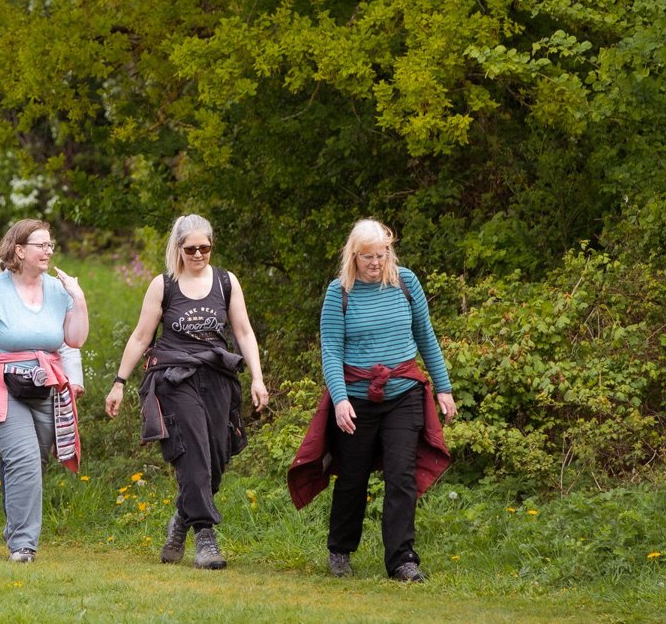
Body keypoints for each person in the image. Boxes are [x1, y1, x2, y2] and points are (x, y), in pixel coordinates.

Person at [292, 218, 456, 583]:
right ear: (354, 256)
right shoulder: (340, 293)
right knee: (353, 477)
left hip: (404, 394)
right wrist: (339, 400)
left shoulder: (406, 283)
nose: (376, 263)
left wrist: (443, 388)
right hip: (357, 397)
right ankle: (340, 550)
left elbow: (425, 337)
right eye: (368, 257)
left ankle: (402, 561)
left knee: (402, 477)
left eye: (382, 255)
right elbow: (332, 351)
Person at [105, 214, 268, 570]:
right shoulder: (163, 285)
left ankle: (181, 519)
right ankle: (205, 537)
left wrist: (257, 377)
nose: (198, 255)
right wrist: (119, 382)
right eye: (191, 249)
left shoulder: (226, 282)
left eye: (204, 248)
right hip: (175, 378)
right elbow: (140, 337)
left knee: (216, 458)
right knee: (193, 452)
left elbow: (243, 331)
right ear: (178, 248)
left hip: (218, 378)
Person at [0, 219, 88, 563]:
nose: (48, 251)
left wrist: (78, 297)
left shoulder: (57, 291)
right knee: (23, 459)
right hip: (0, 385)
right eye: (41, 245)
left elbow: (75, 339)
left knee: (29, 462)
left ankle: (15, 528)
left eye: (51, 245)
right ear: (20, 251)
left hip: (43, 384)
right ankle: (23, 545)